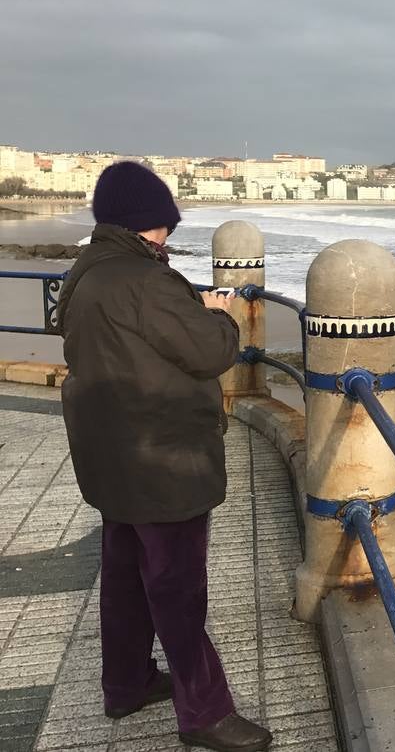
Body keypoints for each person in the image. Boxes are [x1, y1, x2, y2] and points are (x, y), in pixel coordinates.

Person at [57, 161, 273, 752]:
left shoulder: (88, 271)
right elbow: (208, 354)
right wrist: (222, 315)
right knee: (176, 587)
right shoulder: (147, 280)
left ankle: (124, 684)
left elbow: (124, 340)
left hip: (112, 455)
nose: (167, 239)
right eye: (164, 228)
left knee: (125, 578)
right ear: (145, 224)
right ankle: (204, 712)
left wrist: (183, 310)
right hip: (163, 460)